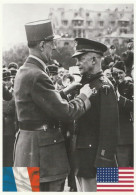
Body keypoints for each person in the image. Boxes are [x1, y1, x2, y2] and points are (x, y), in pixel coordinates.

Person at [13, 19, 93, 192]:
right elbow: (65, 112)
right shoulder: (38, 75)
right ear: (42, 45)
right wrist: (83, 97)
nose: (54, 48)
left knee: (21, 191)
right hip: (44, 156)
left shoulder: (23, 71)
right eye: (52, 44)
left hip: (25, 149)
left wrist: (65, 91)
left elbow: (38, 106)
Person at [71, 38, 120, 192]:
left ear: (93, 60)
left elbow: (109, 128)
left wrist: (104, 161)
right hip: (84, 159)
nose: (77, 63)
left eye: (81, 59)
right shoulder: (86, 85)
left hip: (95, 162)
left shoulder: (103, 87)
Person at [112, 61, 133, 167]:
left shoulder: (131, 87)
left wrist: (120, 98)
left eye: (120, 73)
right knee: (110, 171)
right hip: (110, 134)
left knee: (124, 169)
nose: (118, 76)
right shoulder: (108, 87)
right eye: (115, 74)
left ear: (125, 73)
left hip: (124, 135)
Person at [3, 69, 16, 166]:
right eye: (5, 79)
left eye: (9, 79)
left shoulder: (15, 92)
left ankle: (7, 180)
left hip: (10, 128)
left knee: (9, 156)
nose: (7, 81)